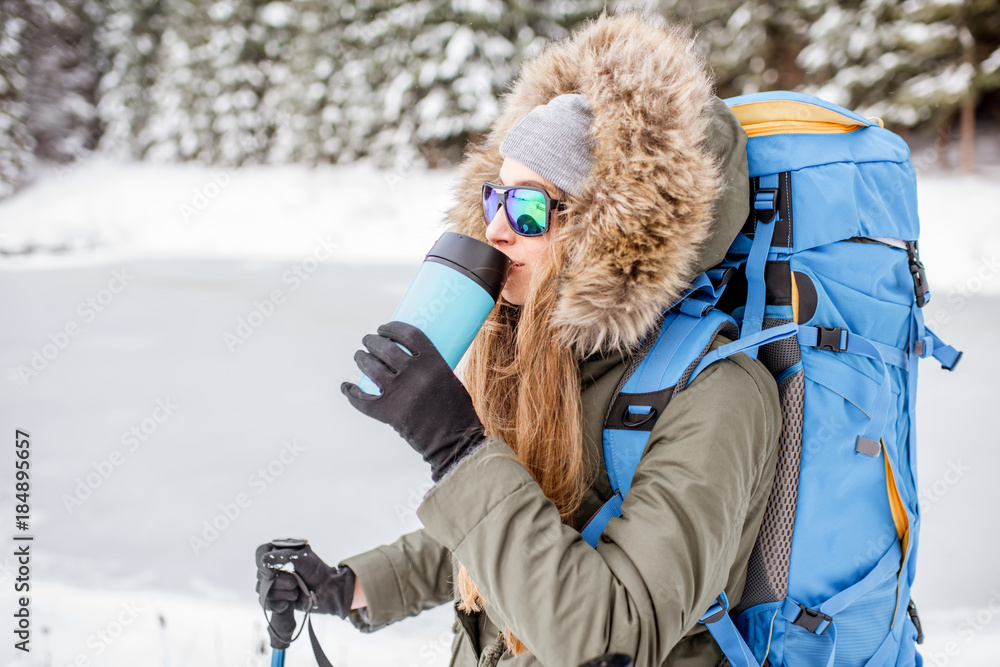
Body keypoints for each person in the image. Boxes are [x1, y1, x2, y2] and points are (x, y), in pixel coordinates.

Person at [255, 12, 781, 667]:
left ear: (605, 232)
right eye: (496, 200)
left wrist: (457, 447)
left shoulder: (716, 396)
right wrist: (347, 585)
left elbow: (612, 636)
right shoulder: (555, 361)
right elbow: (516, 529)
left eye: (529, 209)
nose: (498, 231)